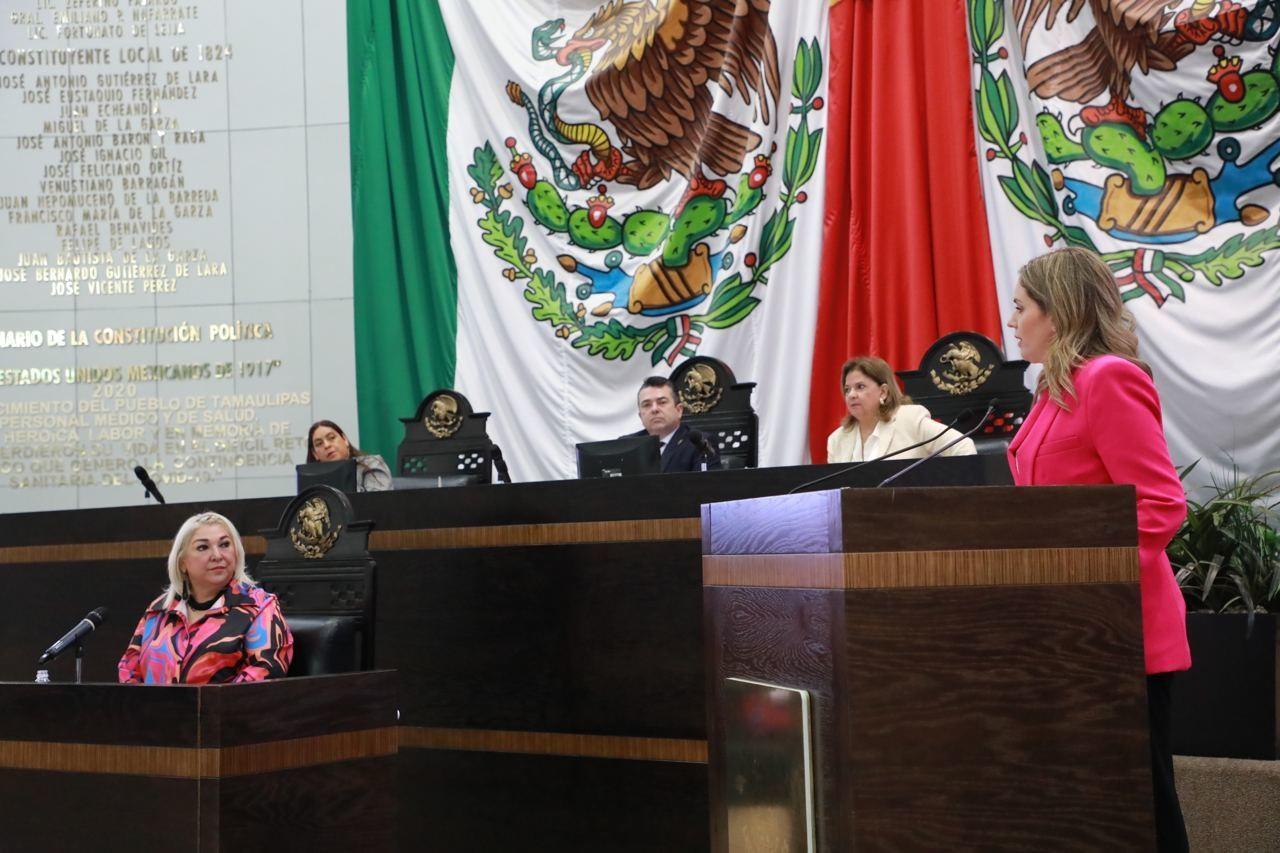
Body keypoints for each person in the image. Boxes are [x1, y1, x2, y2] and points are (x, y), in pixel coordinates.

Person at [1006, 246, 1190, 851]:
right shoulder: (1049, 390)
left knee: (1140, 806)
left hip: (1118, 629)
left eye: (1021, 307)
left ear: (1057, 313)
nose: (1012, 321)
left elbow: (1161, 505)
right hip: (1065, 631)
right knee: (1089, 808)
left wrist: (1076, 575)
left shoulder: (1107, 378)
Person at [119, 512, 293, 684]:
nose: (217, 555)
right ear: (182, 563)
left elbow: (266, 670)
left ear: (236, 553)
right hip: (154, 711)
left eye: (224, 544)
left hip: (225, 711)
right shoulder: (159, 610)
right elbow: (129, 669)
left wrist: (206, 708)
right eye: (203, 547)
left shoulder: (259, 606)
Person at [826, 356, 976, 463]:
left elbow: (963, 445)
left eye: (860, 387)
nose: (851, 395)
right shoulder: (837, 439)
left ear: (883, 392)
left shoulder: (909, 420)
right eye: (847, 389)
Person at [635, 376, 721, 473]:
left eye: (662, 402)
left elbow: (708, 486)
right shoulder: (628, 444)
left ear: (679, 410)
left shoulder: (699, 444)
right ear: (640, 416)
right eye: (647, 405)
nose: (654, 409)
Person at [306, 419, 393, 492]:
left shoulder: (370, 464)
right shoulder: (313, 482)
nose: (327, 445)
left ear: (345, 440)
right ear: (315, 454)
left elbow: (379, 502)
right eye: (319, 443)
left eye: (331, 438)